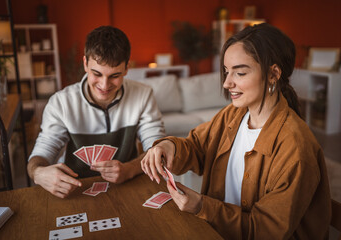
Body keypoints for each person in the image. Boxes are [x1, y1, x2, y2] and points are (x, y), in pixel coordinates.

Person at [141, 23, 331, 239]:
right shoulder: (233, 114)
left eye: (239, 73)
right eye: (226, 72)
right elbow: (196, 147)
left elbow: (265, 231)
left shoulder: (295, 148)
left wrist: (202, 206)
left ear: (273, 74)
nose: (227, 83)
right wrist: (169, 145)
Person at [27, 26, 165, 198]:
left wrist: (130, 169)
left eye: (114, 76)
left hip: (128, 186)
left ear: (127, 68)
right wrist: (38, 172)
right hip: (75, 191)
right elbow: (40, 155)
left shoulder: (143, 95)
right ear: (85, 64)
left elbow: (158, 148)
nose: (104, 85)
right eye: (97, 74)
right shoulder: (61, 102)